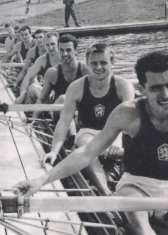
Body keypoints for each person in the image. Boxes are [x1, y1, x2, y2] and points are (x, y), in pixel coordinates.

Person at [14, 49, 168, 235]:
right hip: (138, 186)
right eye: (156, 87)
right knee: (135, 213)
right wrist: (42, 180)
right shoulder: (128, 113)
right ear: (142, 89)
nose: (165, 94)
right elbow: (86, 153)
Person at [44, 43, 135, 196]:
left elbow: (130, 122)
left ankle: (126, 184)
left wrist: (118, 140)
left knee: (132, 148)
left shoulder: (123, 85)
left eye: (103, 63)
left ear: (112, 63)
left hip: (117, 131)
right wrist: (54, 151)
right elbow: (65, 122)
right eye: (94, 63)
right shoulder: (76, 87)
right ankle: (107, 194)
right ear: (87, 64)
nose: (98, 67)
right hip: (89, 133)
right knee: (86, 145)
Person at [32, 34, 89, 120]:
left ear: (75, 51)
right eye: (61, 50)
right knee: (63, 98)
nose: (64, 54)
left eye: (68, 50)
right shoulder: (52, 72)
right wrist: (34, 119)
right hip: (59, 111)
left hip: (80, 111)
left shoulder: (85, 69)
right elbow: (42, 99)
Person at [15, 32, 60, 104]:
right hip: (49, 93)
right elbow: (28, 77)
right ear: (44, 45)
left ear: (58, 44)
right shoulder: (42, 59)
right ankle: (47, 109)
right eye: (47, 45)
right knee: (32, 87)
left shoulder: (65, 58)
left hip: (64, 94)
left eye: (53, 44)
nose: (50, 48)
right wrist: (22, 95)